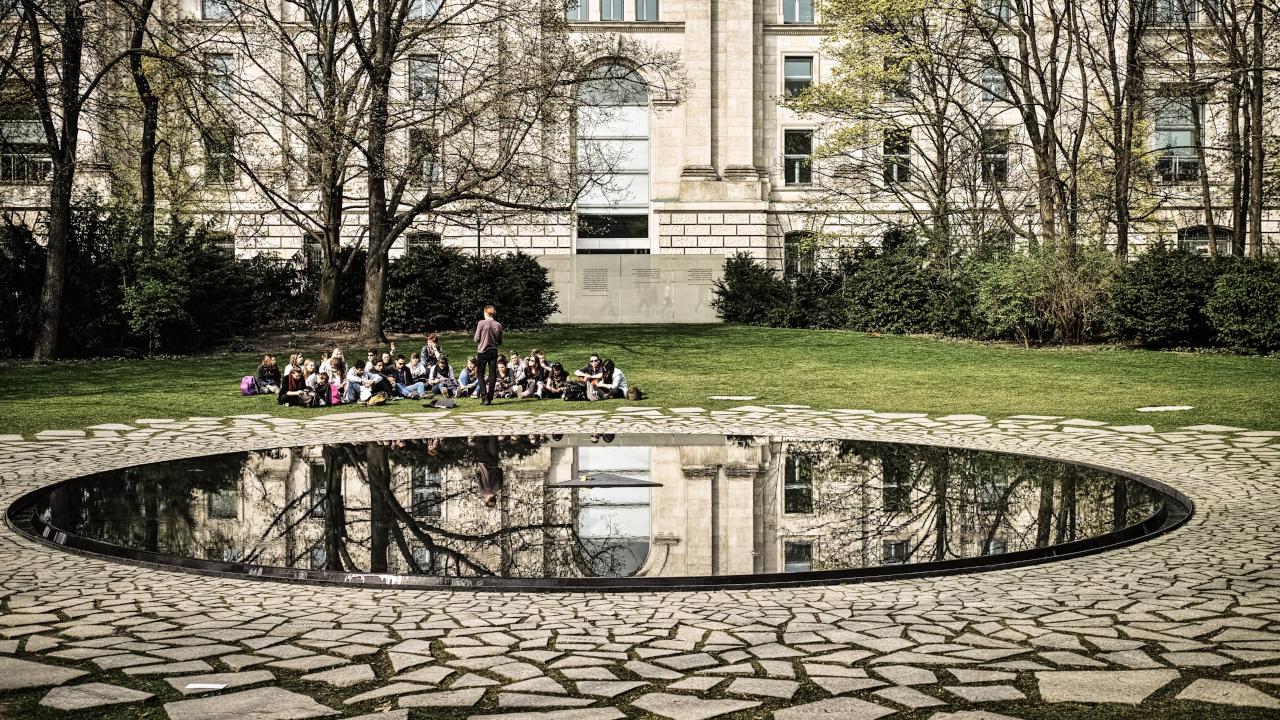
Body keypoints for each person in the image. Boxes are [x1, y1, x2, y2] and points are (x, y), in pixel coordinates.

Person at [473, 305, 503, 405]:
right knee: (492, 374)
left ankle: (484, 397)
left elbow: (476, 339)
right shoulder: (498, 325)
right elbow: (500, 341)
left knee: (480, 374)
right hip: (494, 351)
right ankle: (490, 397)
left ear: (486, 312)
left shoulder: (481, 323)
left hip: (483, 351)